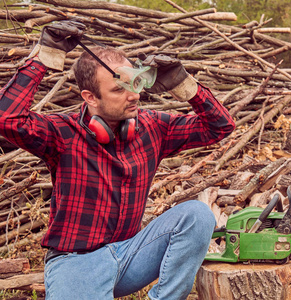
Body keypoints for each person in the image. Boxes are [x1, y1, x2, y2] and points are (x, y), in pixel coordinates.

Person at [0, 20, 235, 299]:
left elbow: (220, 125)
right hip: (75, 263)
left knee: (197, 216)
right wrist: (45, 56)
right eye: (118, 89)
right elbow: (7, 119)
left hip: (131, 255)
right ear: (91, 98)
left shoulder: (153, 128)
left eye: (134, 84)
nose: (134, 95)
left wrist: (184, 85)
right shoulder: (62, 134)